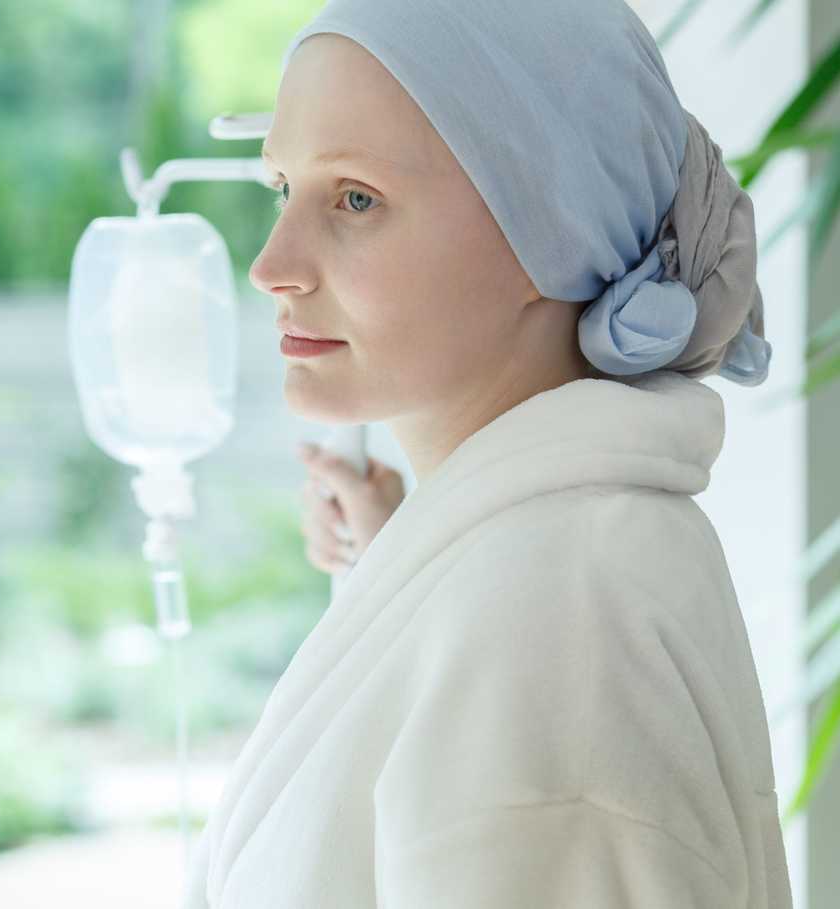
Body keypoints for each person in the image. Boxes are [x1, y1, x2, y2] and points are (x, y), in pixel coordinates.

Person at [182, 1, 792, 906]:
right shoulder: (546, 570)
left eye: (355, 198)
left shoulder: (560, 626)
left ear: (552, 230)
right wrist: (405, 558)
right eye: (282, 187)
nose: (272, 265)